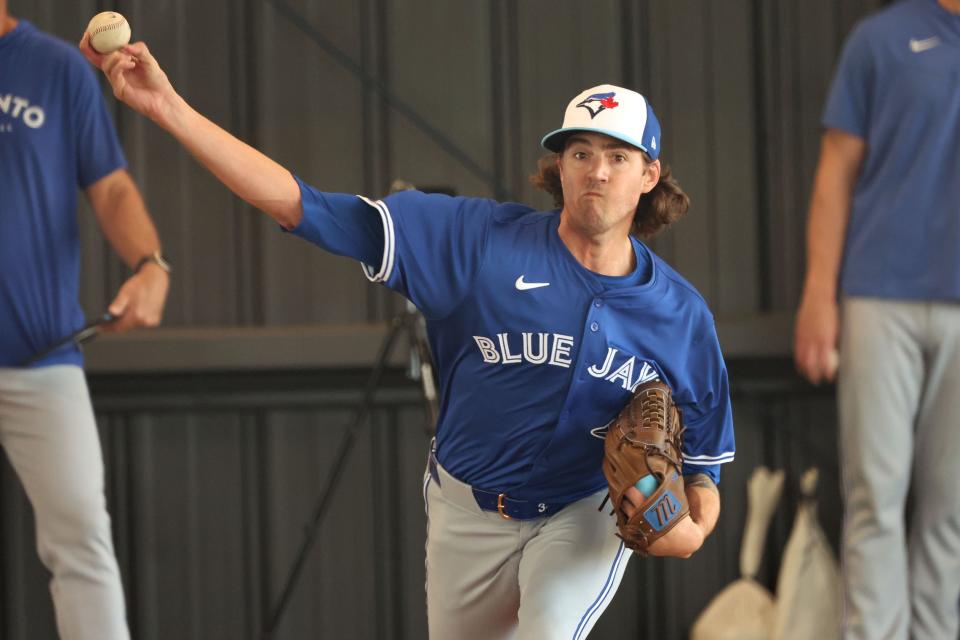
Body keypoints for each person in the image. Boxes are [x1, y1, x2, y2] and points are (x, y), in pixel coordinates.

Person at [81, 33, 734, 638]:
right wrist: (167, 107)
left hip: (578, 512)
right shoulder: (477, 244)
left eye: (618, 157)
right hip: (466, 509)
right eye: (581, 153)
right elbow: (300, 204)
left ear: (649, 176)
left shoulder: (680, 316)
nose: (597, 171)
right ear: (557, 166)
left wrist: (695, 529)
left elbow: (703, 467)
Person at [0, 5, 170, 639]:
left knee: (81, 545)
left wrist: (151, 264)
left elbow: (113, 189)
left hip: (43, 357)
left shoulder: (57, 69)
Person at [794, 1, 960, 638]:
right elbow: (835, 171)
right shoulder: (880, 41)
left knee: (951, 507)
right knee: (874, 498)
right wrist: (818, 295)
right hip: (878, 296)